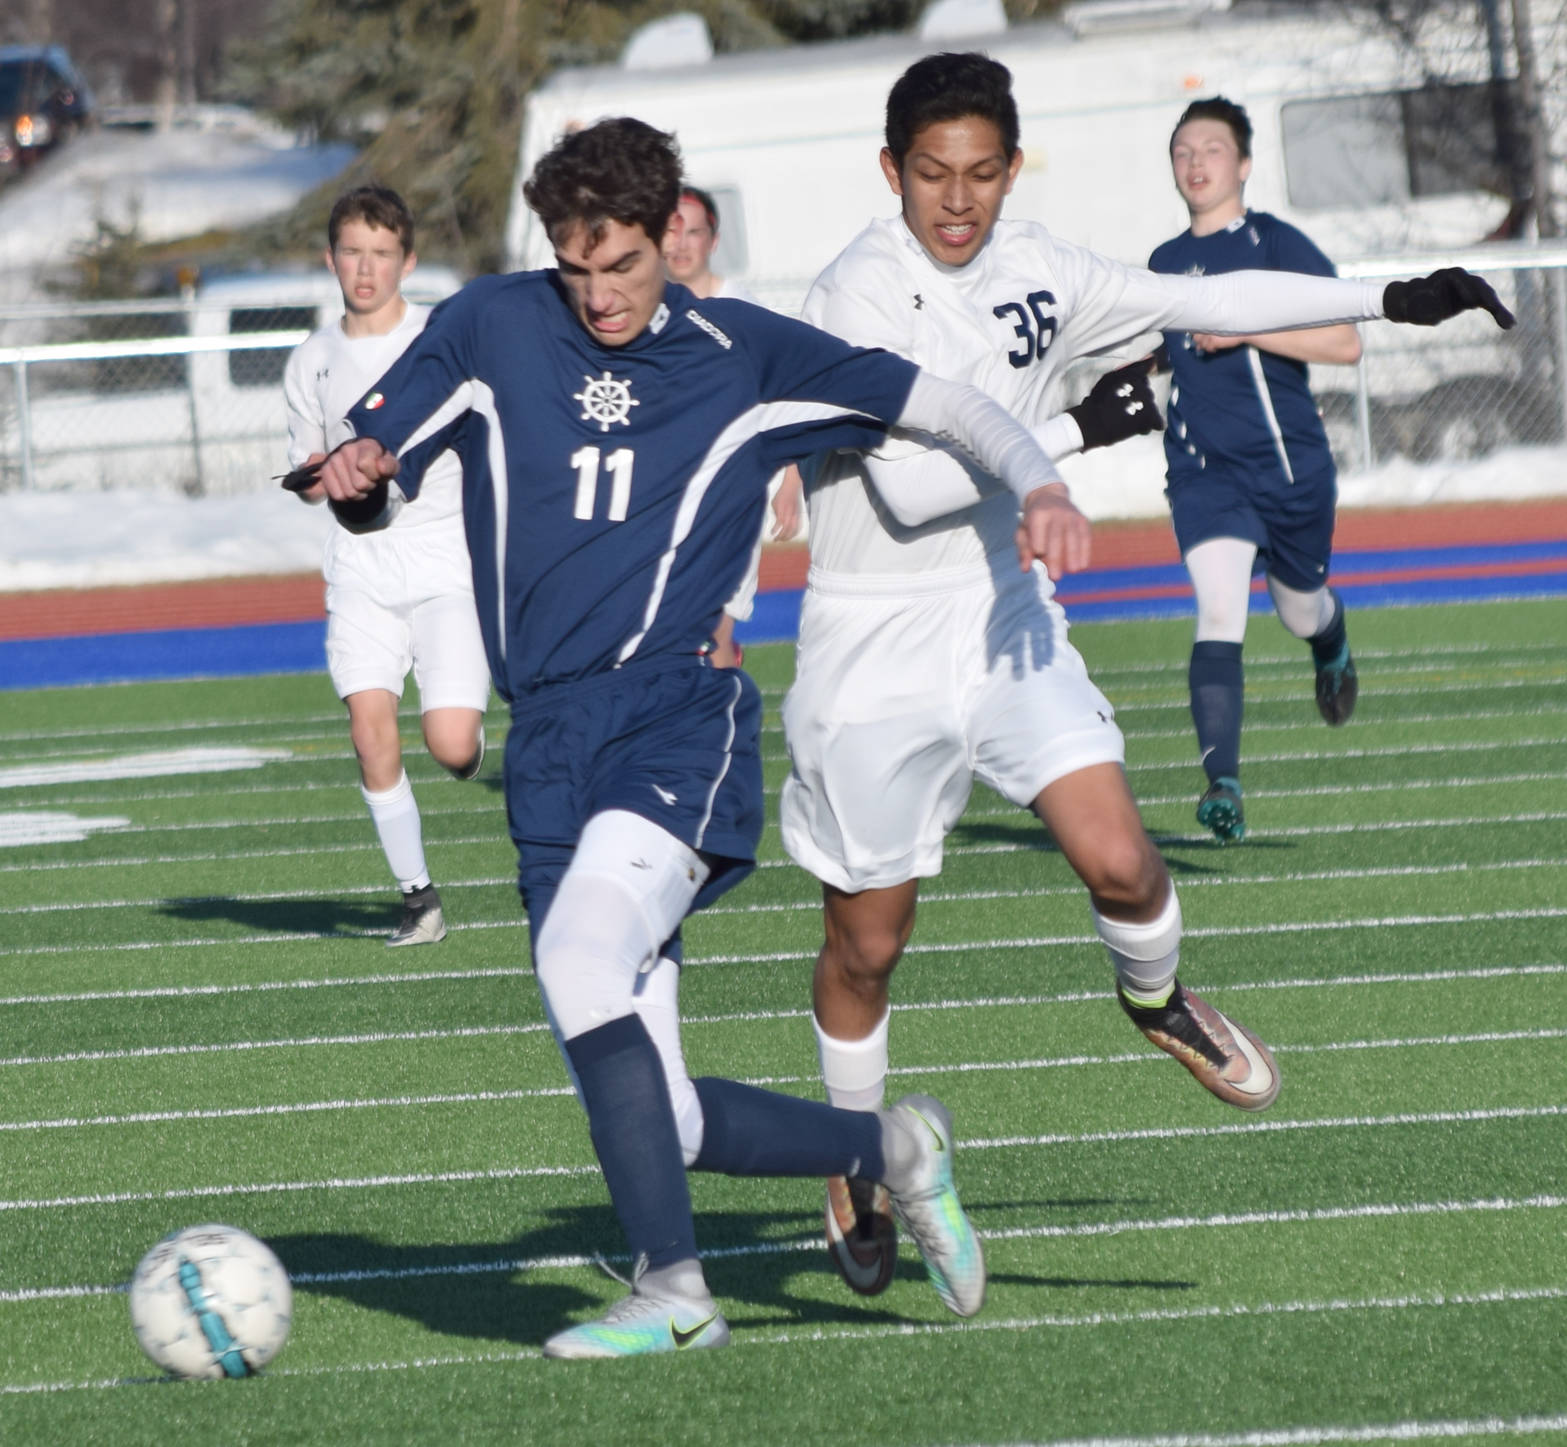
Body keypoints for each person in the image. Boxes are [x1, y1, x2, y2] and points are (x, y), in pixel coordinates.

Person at [316, 116, 1105, 1359]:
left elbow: (947, 404)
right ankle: (894, 1148)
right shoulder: (489, 325)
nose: (599, 293)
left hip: (677, 719)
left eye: (621, 263)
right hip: (551, 752)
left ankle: (675, 1293)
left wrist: (1044, 480)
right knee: (662, 1115)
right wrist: (357, 473)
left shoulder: (747, 356)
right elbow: (375, 478)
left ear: (670, 235)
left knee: (582, 966)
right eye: (575, 268)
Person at [779, 51, 1515, 1296]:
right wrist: (1075, 433)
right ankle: (853, 1155)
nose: (954, 200)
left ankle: (1158, 1001)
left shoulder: (1040, 263)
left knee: (1124, 858)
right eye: (929, 174)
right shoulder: (852, 292)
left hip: (1001, 616)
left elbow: (1201, 296)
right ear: (890, 171)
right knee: (868, 945)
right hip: (869, 645)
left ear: (1011, 169)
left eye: (978, 173)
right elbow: (904, 489)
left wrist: (1390, 294)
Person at [1150, 96, 1363, 843]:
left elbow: (1344, 342)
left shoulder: (1275, 242)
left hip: (1288, 470)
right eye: (1181, 150)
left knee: (1297, 609)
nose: (1195, 162)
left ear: (1241, 164)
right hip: (1205, 472)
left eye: (1210, 149)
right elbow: (1156, 354)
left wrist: (1249, 329)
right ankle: (1223, 782)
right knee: (1217, 612)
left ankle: (1329, 637)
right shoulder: (1164, 265)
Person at [283, 185, 489, 947]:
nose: (364, 269)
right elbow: (309, 475)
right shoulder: (310, 360)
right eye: (350, 252)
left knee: (451, 745)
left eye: (380, 254)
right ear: (329, 257)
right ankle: (418, 899)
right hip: (360, 568)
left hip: (443, 563)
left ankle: (469, 742)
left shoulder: (441, 339)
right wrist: (322, 477)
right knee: (371, 731)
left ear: (407, 259)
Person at [661, 182, 801, 666]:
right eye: (670, 232)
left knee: (714, 632)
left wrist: (789, 482)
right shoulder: (646, 312)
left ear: (713, 240)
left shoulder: (744, 311)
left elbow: (782, 399)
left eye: (693, 232)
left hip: (731, 496)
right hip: (661, 498)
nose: (681, 245)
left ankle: (723, 727)